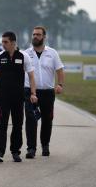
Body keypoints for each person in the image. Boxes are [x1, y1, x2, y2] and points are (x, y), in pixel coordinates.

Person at [0, 31, 38, 163]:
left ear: (13, 42)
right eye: (2, 42)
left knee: (17, 125)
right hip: (3, 97)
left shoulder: (24, 56)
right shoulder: (0, 56)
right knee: (2, 124)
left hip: (18, 97)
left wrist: (33, 94)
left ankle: (15, 151)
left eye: (5, 42)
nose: (3, 44)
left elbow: (31, 76)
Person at [24, 26, 64, 158]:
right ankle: (31, 148)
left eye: (38, 35)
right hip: (30, 92)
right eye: (34, 34)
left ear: (44, 37)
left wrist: (60, 84)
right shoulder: (26, 54)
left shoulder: (52, 53)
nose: (35, 36)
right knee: (31, 119)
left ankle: (45, 145)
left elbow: (59, 70)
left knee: (47, 120)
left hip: (47, 92)